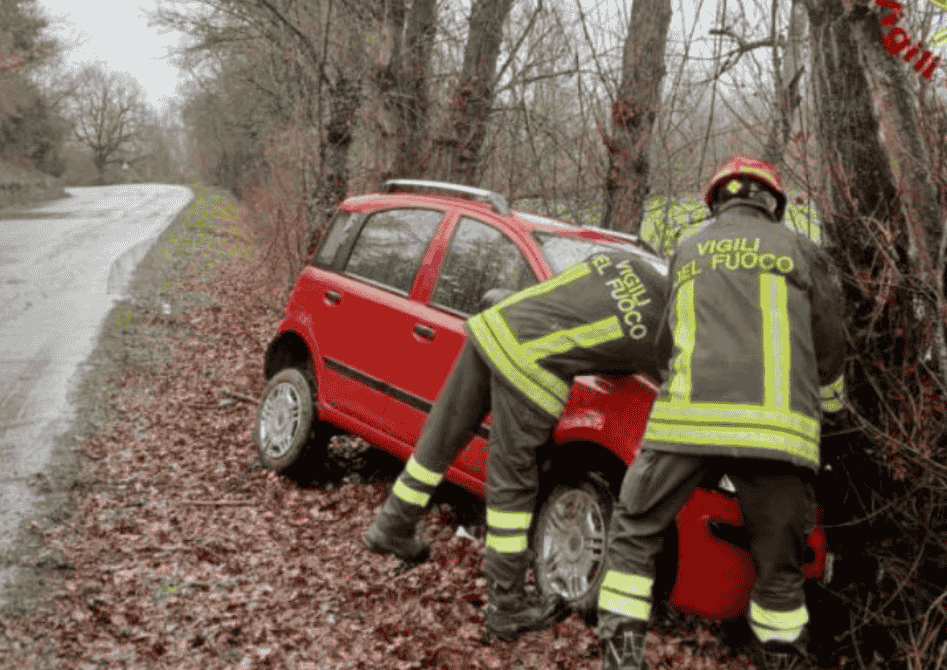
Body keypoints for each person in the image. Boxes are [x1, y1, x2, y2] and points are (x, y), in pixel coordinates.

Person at [594, 157, 847, 670]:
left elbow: (666, 342)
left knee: (634, 535)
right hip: (777, 435)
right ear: (773, 203)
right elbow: (831, 351)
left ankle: (621, 659)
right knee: (780, 571)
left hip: (685, 426)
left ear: (715, 203)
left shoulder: (687, 250)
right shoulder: (802, 251)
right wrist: (830, 413)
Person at [363, 249, 670, 643]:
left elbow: (567, 300)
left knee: (441, 438)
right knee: (514, 483)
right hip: (534, 365)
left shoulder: (623, 261)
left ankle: (392, 524)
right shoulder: (670, 329)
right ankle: (507, 604)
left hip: (499, 325)